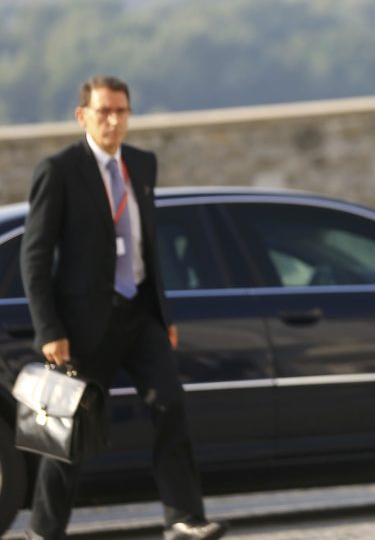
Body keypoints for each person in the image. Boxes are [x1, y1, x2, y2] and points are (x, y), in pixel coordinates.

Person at [20, 76, 227, 540]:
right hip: (83, 324)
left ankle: (184, 517)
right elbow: (34, 256)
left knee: (171, 407)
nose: (113, 120)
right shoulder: (59, 170)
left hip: (140, 314)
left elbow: (147, 245)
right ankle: (43, 531)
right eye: (103, 111)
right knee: (69, 432)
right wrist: (48, 328)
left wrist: (164, 314)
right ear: (82, 116)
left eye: (121, 111)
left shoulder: (141, 164)